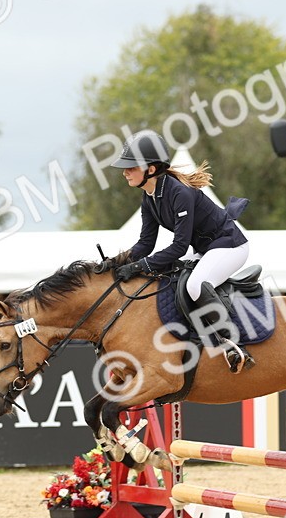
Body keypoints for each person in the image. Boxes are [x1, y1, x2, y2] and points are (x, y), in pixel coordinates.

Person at [107, 129, 255, 373]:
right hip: (207, 249)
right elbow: (145, 244)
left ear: (151, 169)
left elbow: (179, 246)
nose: (125, 172)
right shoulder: (149, 198)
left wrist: (139, 266)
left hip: (230, 245)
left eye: (131, 167)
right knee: (170, 281)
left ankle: (232, 343)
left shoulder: (179, 193)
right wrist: (117, 263)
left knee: (195, 285)